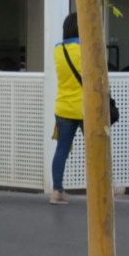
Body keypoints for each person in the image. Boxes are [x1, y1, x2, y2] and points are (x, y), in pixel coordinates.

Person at [50, 13, 85, 205]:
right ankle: (105, 187)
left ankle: (57, 191)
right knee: (97, 150)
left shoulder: (58, 49)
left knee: (62, 149)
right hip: (85, 108)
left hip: (63, 106)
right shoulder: (86, 49)